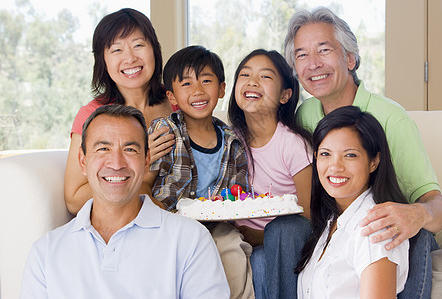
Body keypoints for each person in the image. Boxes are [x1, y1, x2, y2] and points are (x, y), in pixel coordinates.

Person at [284, 7, 442, 297]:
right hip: (338, 226)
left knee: (410, 235)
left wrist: (416, 215)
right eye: (302, 55)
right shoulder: (304, 115)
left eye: (323, 50)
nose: (313, 64)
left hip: (398, 234)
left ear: (350, 58)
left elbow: (437, 206)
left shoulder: (391, 119)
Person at [20, 104, 230, 299]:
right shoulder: (46, 252)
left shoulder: (191, 239)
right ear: (83, 162)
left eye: (130, 149)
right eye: (103, 149)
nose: (117, 163)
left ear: (147, 160)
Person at [147, 45, 252, 299]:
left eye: (206, 80)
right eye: (187, 84)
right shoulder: (165, 130)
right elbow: (142, 184)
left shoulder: (233, 143)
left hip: (216, 225)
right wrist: (162, 217)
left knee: (232, 247)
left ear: (222, 89)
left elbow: (237, 199)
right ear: (172, 97)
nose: (198, 91)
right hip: (168, 221)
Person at [64, 8, 174, 215]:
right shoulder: (92, 115)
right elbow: (74, 199)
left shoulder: (177, 101)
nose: (130, 58)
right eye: (116, 50)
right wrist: (135, 160)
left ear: (155, 50)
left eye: (138, 45)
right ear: (103, 61)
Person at [297, 105, 409, 298]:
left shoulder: (375, 228)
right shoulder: (332, 219)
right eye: (325, 154)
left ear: (374, 161)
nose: (335, 166)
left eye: (350, 155)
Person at [228, 49, 313, 299]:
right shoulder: (230, 139)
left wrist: (260, 236)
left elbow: (309, 214)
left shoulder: (292, 144)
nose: (252, 81)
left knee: (263, 261)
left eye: (265, 77)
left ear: (285, 95)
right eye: (245, 74)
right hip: (238, 239)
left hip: (281, 243)